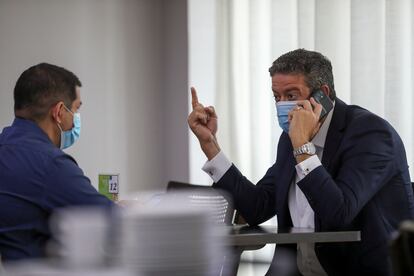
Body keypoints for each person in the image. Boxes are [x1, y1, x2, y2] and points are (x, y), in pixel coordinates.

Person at [188, 49, 414, 276]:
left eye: (292, 96)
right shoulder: (289, 140)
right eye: (277, 97)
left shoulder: (371, 135)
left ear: (322, 96)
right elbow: (257, 207)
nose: (282, 105)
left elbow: (338, 213)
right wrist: (210, 146)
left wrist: (302, 148)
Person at [0, 63, 114, 261]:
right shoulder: (49, 165)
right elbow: (113, 220)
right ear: (59, 111)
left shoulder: (5, 145)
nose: (77, 119)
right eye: (76, 109)